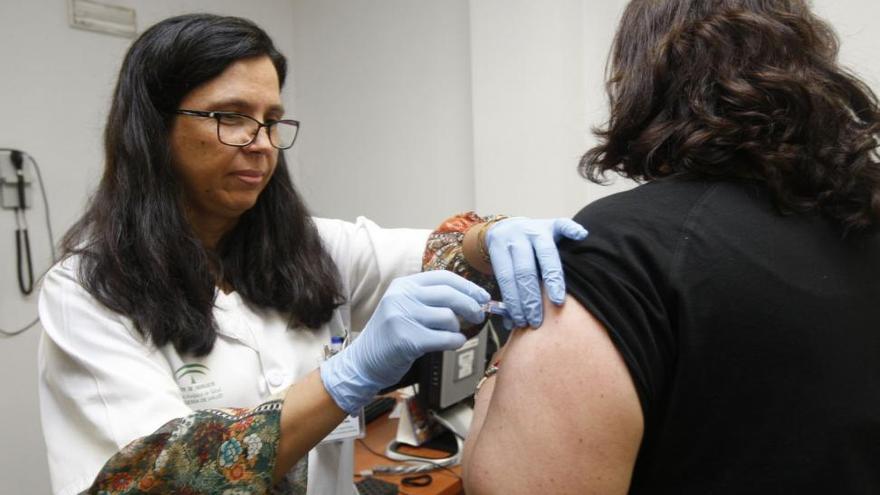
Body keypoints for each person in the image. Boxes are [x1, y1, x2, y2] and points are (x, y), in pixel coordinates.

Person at [37, 13, 588, 495]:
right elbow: (161, 477)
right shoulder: (87, 290)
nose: (260, 143)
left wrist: (492, 235)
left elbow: (443, 250)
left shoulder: (311, 248)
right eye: (231, 117)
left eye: (272, 121)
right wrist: (347, 377)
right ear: (154, 127)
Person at [462, 0, 880, 493]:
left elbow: (510, 484)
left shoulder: (625, 249)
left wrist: (500, 360)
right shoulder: (864, 215)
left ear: (641, 79)